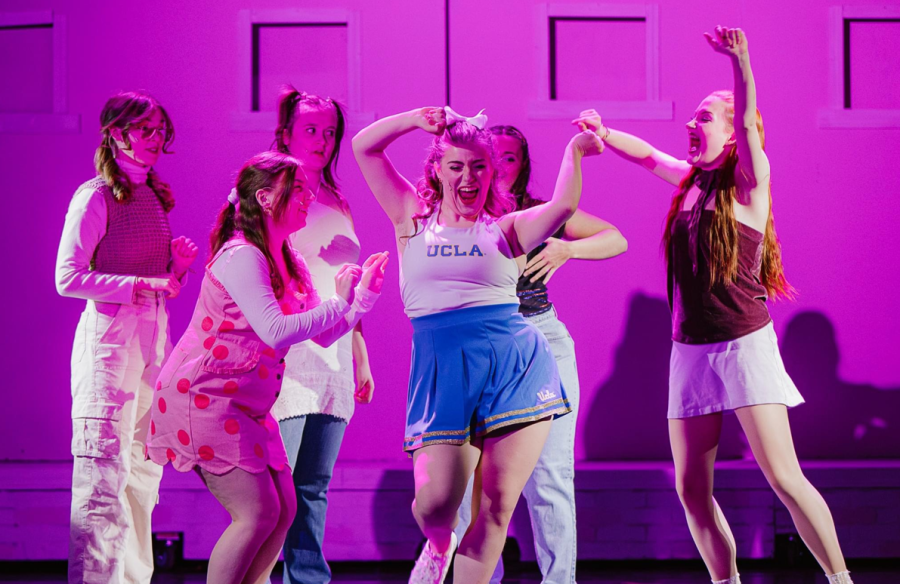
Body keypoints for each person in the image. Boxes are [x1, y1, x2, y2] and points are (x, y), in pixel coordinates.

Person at [579, 26, 853, 584]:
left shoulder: (749, 185)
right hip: (690, 350)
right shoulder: (692, 184)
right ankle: (724, 582)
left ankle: (840, 579)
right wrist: (605, 134)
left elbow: (749, 118)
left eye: (705, 117)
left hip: (742, 343)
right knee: (690, 489)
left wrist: (742, 63)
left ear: (733, 135)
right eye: (693, 117)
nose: (691, 124)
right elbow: (649, 156)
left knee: (782, 474)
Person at [352, 106, 602, 584]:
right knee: (436, 504)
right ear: (437, 170)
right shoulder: (412, 218)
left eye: (479, 166)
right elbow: (365, 146)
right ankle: (439, 543)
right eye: (456, 166)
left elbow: (563, 207)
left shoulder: (506, 227)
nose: (469, 177)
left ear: (492, 172)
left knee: (497, 507)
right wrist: (416, 119)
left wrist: (576, 150)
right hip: (444, 371)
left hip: (516, 368)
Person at [146, 151, 387, 584]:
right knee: (255, 512)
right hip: (206, 396)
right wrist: (338, 300)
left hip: (246, 405)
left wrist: (361, 298)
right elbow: (276, 331)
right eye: (296, 190)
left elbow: (323, 334)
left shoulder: (286, 257)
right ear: (264, 198)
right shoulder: (242, 254)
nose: (308, 197)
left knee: (283, 510)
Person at [454, 124, 628, 584]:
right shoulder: (463, 214)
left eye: (510, 158)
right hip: (481, 349)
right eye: (493, 157)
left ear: (522, 164)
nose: (501, 166)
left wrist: (568, 249)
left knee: (549, 477)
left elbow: (616, 237)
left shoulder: (539, 212)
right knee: (472, 481)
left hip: (541, 341)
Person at [55, 90, 197, 584]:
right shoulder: (94, 195)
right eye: (145, 130)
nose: (156, 139)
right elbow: (67, 277)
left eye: (161, 130)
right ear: (116, 135)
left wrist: (172, 270)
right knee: (103, 474)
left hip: (149, 341)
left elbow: (158, 284)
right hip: (110, 346)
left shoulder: (154, 196)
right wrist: (140, 283)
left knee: (142, 473)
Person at [268, 86, 373, 584]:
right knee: (273, 487)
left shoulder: (335, 197)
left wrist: (361, 354)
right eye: (310, 129)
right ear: (286, 132)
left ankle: (308, 578)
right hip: (285, 351)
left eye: (330, 132)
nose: (322, 140)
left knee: (314, 482)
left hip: (332, 356)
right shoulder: (264, 191)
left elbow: (351, 285)